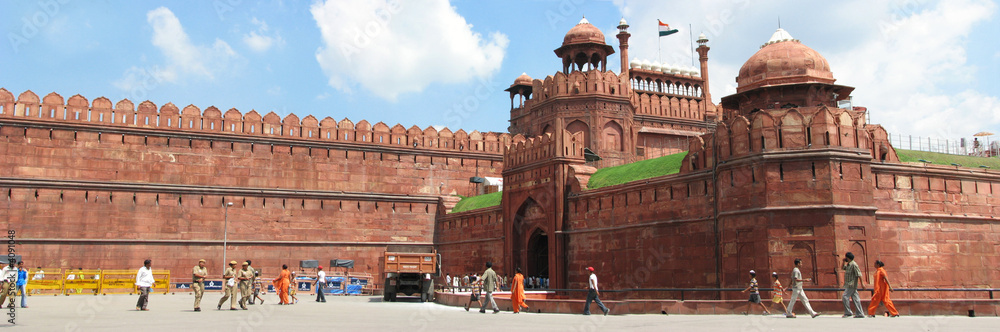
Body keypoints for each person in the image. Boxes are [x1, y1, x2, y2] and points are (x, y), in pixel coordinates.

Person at [842, 252, 865, 318]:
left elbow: (859, 274)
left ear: (848, 257)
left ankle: (848, 312)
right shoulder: (849, 264)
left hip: (851, 284)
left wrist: (862, 284)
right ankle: (860, 313)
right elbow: (843, 268)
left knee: (845, 296)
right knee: (856, 299)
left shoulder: (854, 264)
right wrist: (843, 262)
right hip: (849, 284)